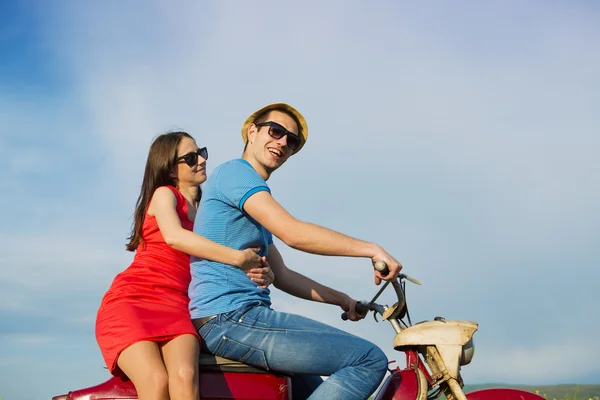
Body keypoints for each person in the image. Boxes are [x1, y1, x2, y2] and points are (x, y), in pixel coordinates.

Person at [188, 103, 403, 400]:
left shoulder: (252, 202)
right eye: (275, 131)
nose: (283, 143)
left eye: (292, 141)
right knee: (368, 360)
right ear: (252, 132)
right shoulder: (235, 174)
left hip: (242, 317)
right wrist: (371, 249)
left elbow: (284, 276)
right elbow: (294, 233)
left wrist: (343, 300)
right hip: (231, 317)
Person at [95, 131, 274, 400]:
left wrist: (263, 270)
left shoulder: (210, 211)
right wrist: (237, 258)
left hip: (179, 305)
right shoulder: (164, 195)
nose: (201, 160)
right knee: (155, 381)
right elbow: (174, 237)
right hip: (132, 300)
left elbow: (246, 250)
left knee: (185, 378)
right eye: (190, 158)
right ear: (169, 168)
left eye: (201, 152)